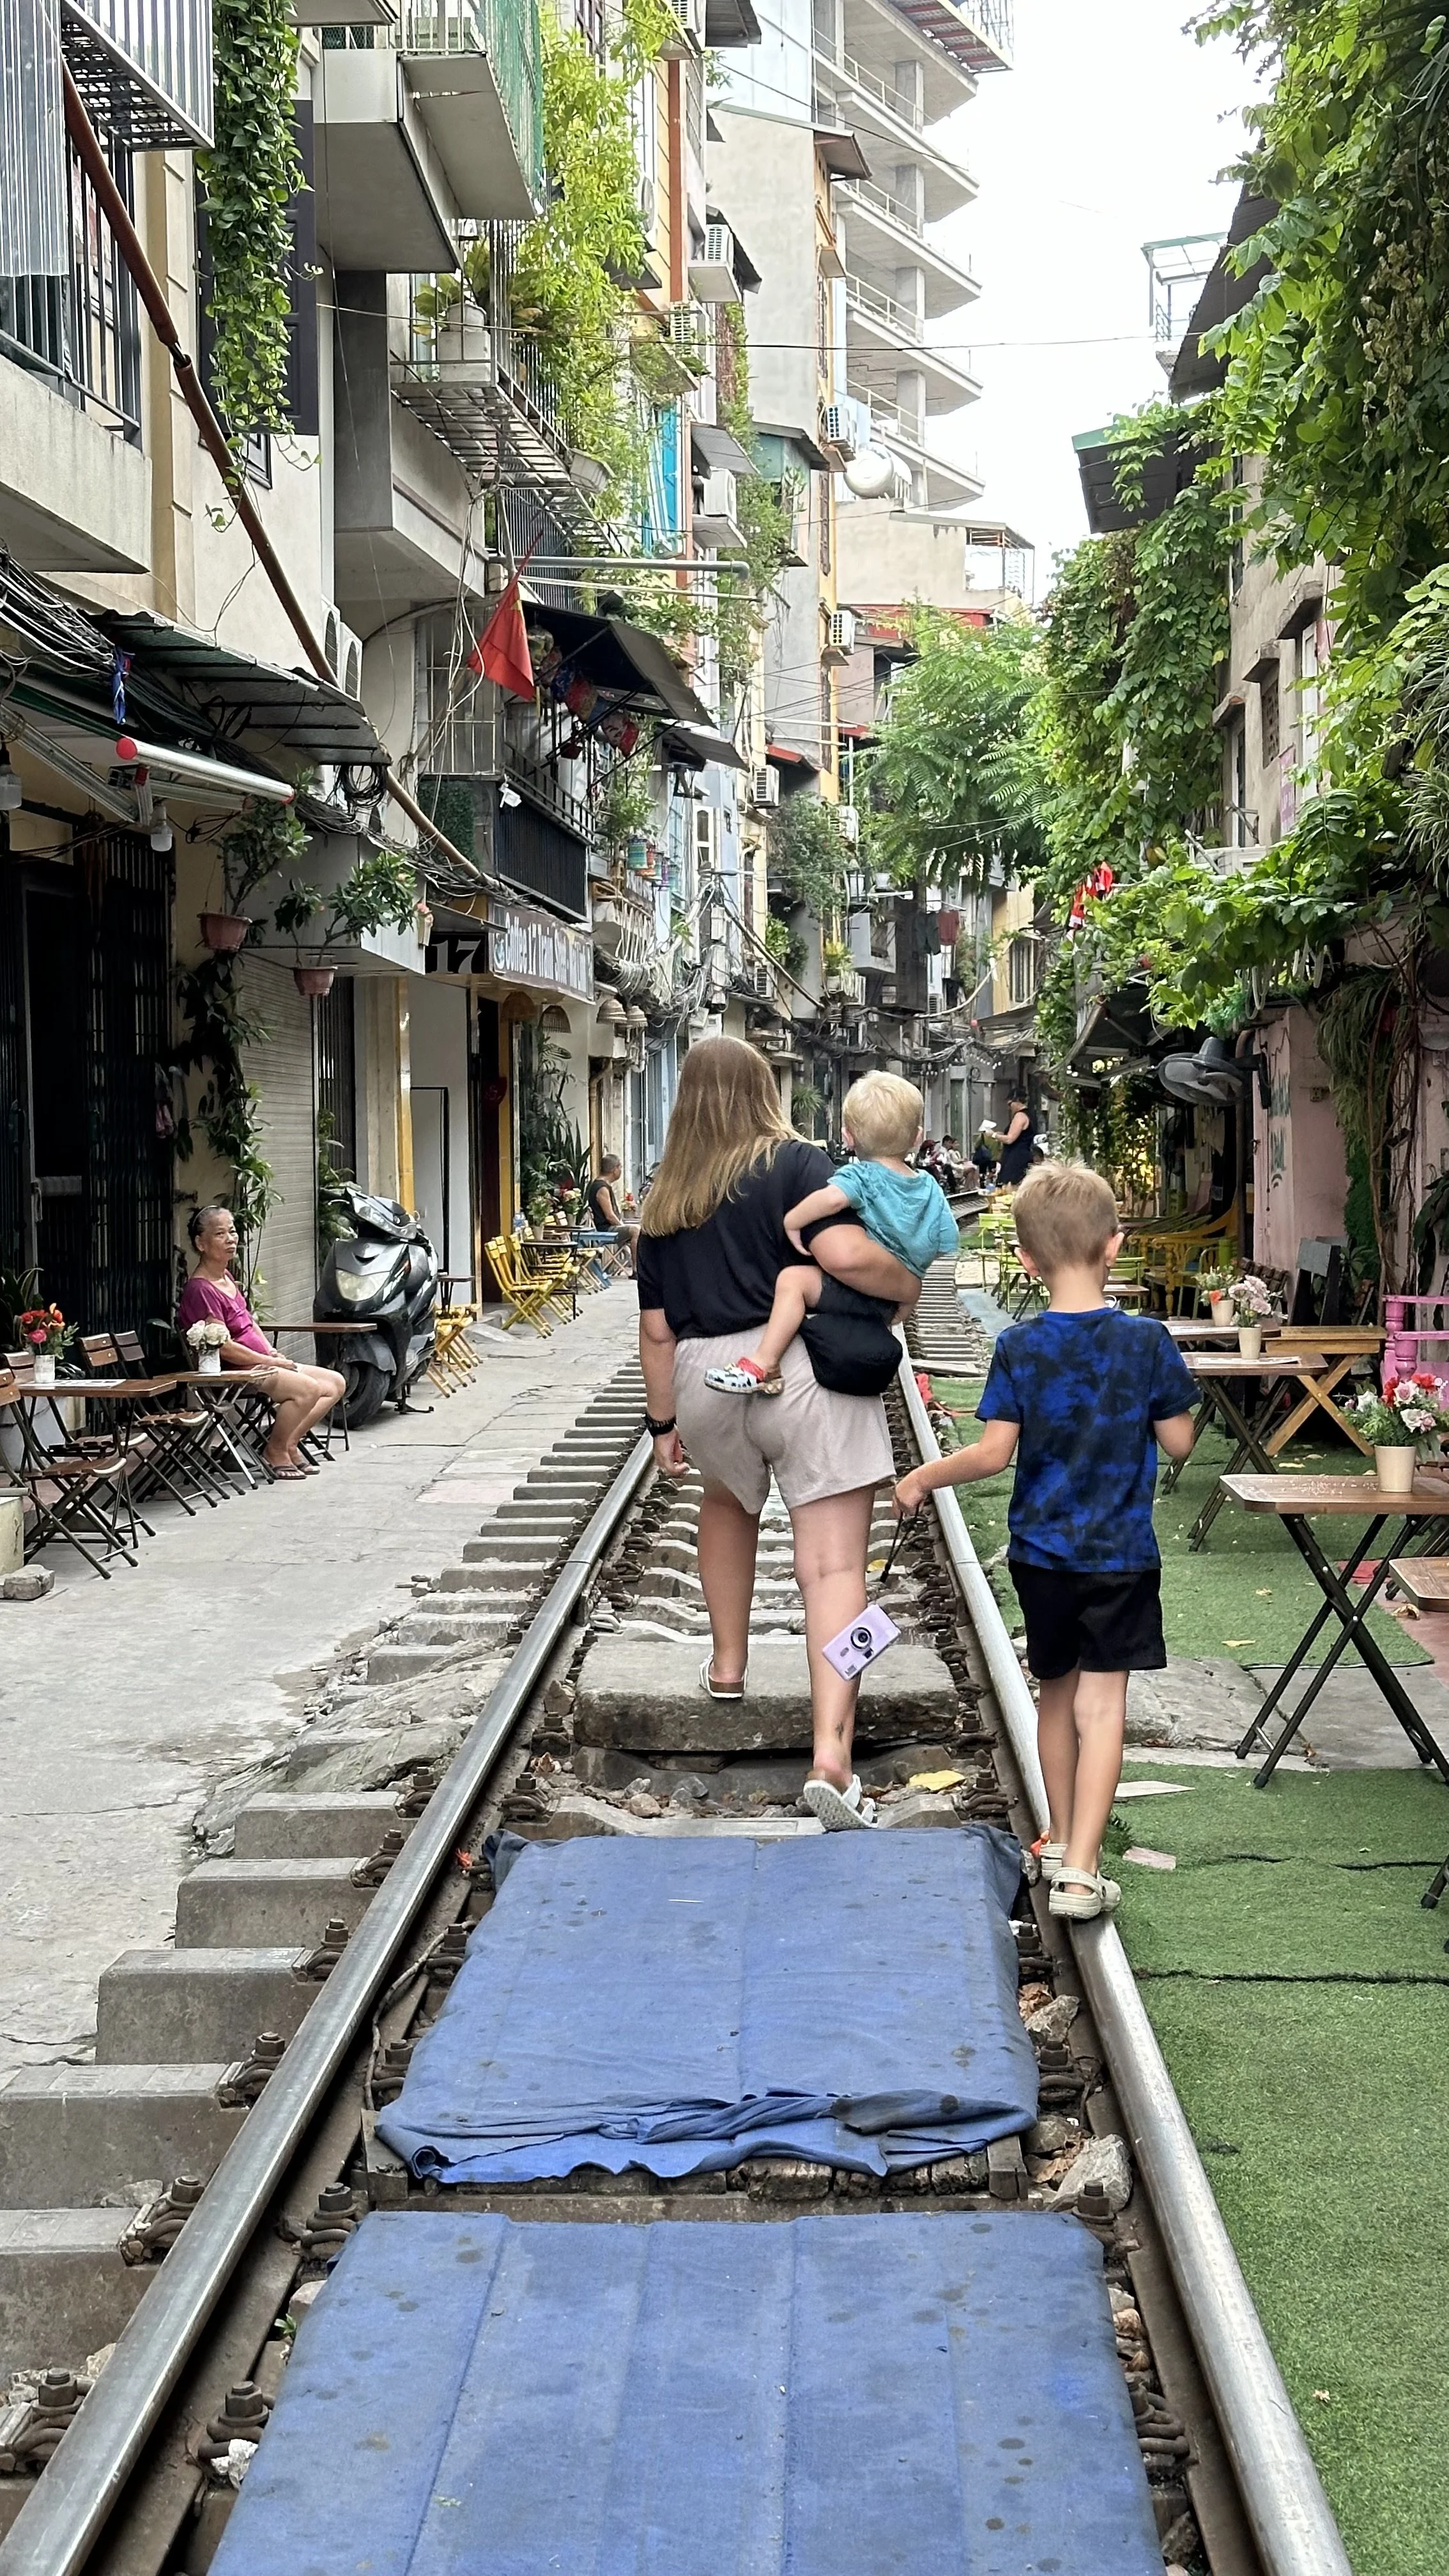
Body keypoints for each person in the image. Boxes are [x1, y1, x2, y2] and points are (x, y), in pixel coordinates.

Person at [893, 1161, 1197, 1919]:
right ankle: (1082, 1872)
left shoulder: (1021, 1349)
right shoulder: (1146, 1342)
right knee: (1104, 1707)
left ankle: (1060, 1838)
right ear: (1115, 1245)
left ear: (1025, 1259)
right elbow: (1183, 1442)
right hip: (1120, 1555)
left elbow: (994, 1455)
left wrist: (926, 1475)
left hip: (1042, 1556)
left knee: (1053, 1698)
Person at [636, 1038, 921, 1831]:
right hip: (806, 1370)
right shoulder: (799, 1165)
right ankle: (832, 1754)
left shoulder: (667, 1195)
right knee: (833, 1568)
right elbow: (845, 1256)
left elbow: (655, 1333)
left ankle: (727, 1667)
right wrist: (908, 1282)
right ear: (765, 1090)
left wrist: (664, 1424)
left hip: (704, 1378)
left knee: (725, 1502)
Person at [702, 1071, 958, 1398]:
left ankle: (763, 1362)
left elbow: (833, 1199)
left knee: (793, 1280)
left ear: (847, 1137)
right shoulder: (929, 1186)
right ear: (916, 1137)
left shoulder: (860, 1175)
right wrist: (910, 1276)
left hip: (858, 1288)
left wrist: (793, 1221)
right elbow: (946, 1240)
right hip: (895, 1299)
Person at [177, 1205, 346, 1480]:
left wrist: (269, 1349)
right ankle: (275, 1450)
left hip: (262, 1361)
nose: (231, 1239)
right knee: (308, 1390)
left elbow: (248, 1321)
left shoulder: (226, 1277)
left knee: (334, 1384)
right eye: (220, 1234)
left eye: (232, 1231)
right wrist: (269, 1361)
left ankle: (290, 1443)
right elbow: (225, 1345)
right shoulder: (201, 1289)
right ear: (201, 1243)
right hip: (239, 1369)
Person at [581, 1155, 637, 1279]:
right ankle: (636, 1269)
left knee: (636, 1228)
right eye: (620, 1167)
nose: (621, 1170)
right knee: (635, 1231)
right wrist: (623, 1226)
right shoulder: (601, 1188)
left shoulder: (603, 1185)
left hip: (609, 1228)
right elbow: (610, 1216)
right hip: (606, 1229)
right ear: (614, 1169)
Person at [996, 1096, 1036, 1188]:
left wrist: (994, 1135)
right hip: (1023, 1154)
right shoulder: (1031, 1115)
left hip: (1015, 1157)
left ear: (1017, 1101)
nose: (1009, 1108)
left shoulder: (1020, 1116)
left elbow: (1010, 1139)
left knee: (1010, 1185)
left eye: (1010, 1104)